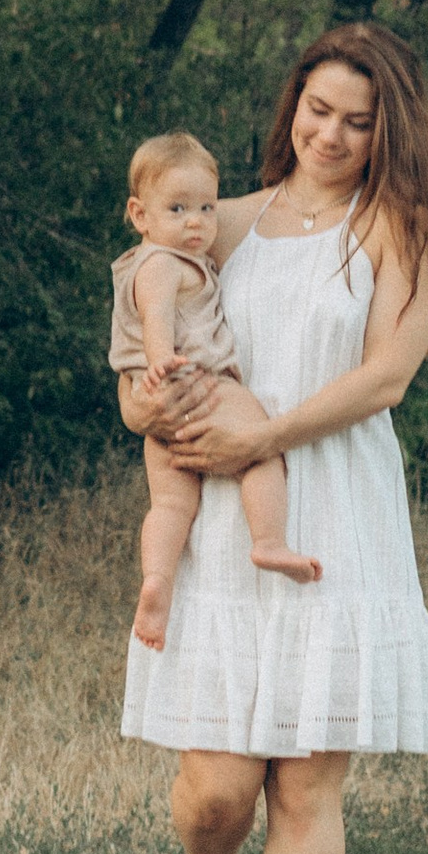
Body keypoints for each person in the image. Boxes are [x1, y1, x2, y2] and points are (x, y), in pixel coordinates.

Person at [118, 25, 428, 854]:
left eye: (358, 122)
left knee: (307, 788)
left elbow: (386, 378)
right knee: (217, 791)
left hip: (334, 515)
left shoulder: (400, 227)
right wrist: (138, 393)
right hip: (223, 522)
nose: (331, 134)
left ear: (386, 132)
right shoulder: (227, 220)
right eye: (317, 110)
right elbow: (143, 282)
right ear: (291, 107)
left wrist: (261, 435)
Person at [112, 129, 319, 648]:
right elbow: (156, 319)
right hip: (196, 384)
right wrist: (164, 365)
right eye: (178, 209)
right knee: (261, 446)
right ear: (141, 216)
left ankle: (157, 580)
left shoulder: (148, 262)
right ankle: (269, 541)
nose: (197, 221)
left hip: (159, 413)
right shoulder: (163, 264)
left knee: (172, 506)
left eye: (206, 207)